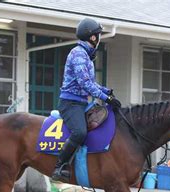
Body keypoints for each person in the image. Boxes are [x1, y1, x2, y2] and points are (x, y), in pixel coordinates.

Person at [51, 17, 122, 182]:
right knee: (80, 132)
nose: (99, 38)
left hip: (83, 103)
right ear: (92, 37)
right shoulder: (78, 54)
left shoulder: (86, 55)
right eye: (98, 34)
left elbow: (91, 83)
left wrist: (107, 92)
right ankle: (59, 167)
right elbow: (85, 83)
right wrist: (105, 98)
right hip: (71, 104)